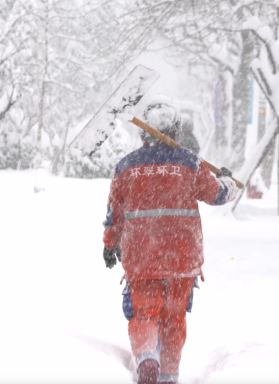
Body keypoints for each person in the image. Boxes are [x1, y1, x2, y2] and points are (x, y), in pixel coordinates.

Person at [101, 96, 240, 384]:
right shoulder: (190, 162)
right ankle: (168, 375)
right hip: (182, 256)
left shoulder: (125, 167)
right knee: (174, 319)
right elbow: (218, 195)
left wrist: (110, 243)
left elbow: (115, 211)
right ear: (175, 130)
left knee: (144, 313)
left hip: (141, 256)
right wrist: (228, 181)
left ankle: (146, 359)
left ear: (144, 133)